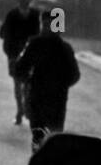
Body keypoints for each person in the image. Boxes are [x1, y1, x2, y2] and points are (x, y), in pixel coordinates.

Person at [13, 9, 81, 150]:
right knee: (52, 138)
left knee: (40, 137)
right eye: (45, 24)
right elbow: (74, 75)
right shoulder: (62, 48)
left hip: (42, 98)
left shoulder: (36, 45)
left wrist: (28, 80)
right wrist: (61, 86)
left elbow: (20, 69)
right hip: (54, 100)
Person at [0, 0, 40, 127]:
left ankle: (25, 108)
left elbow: (39, 34)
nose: (24, 0)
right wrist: (10, 52)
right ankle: (19, 110)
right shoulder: (12, 15)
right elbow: (3, 33)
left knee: (28, 84)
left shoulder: (35, 15)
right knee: (17, 84)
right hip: (14, 54)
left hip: (32, 55)